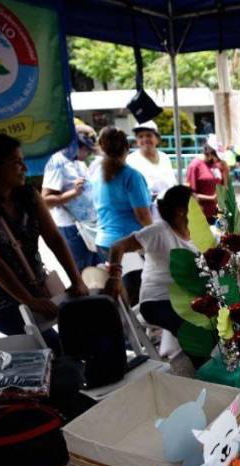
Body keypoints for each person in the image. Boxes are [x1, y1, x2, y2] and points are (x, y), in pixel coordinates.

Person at [0, 134, 88, 348]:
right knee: (52, 347)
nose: (24, 167)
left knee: (76, 335)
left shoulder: (28, 196)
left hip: (36, 285)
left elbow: (54, 239)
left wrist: (76, 279)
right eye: (16, 162)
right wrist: (29, 301)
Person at [103, 186, 204, 364]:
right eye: (197, 205)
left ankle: (208, 360)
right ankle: (203, 370)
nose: (202, 209)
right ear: (181, 211)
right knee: (195, 328)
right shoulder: (159, 231)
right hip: (157, 301)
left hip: (185, 298)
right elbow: (117, 247)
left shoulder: (196, 233)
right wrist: (115, 277)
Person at [41, 124, 102, 271]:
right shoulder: (57, 162)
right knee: (83, 270)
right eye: (87, 149)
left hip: (88, 225)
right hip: (71, 227)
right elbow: (45, 200)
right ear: (77, 144)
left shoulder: (77, 162)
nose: (89, 154)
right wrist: (73, 193)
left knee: (97, 270)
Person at [93, 126, 153, 258]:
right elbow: (143, 216)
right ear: (127, 148)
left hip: (102, 242)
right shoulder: (131, 176)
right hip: (127, 245)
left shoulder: (97, 173)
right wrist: (157, 236)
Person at [127, 120, 177, 215]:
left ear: (157, 139)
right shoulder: (130, 161)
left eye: (149, 135)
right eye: (140, 136)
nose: (145, 139)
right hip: (145, 215)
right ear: (136, 141)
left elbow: (172, 184)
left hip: (168, 213)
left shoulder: (164, 157)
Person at [185, 134, 230, 221]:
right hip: (201, 215)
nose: (217, 159)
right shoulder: (195, 166)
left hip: (218, 214)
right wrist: (211, 198)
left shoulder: (217, 165)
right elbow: (190, 194)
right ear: (208, 151)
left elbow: (224, 186)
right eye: (216, 156)